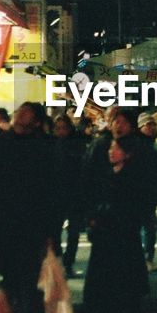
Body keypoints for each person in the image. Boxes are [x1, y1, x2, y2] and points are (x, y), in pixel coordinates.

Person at [0, 103, 55, 313]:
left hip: (31, 222)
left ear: (37, 121)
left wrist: (50, 226)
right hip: (2, 220)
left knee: (27, 275)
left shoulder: (45, 148)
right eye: (20, 111)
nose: (21, 115)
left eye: (27, 113)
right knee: (7, 274)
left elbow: (53, 190)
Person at [84, 134, 153, 313]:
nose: (111, 152)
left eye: (116, 149)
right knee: (106, 281)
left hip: (124, 236)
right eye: (110, 148)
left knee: (124, 281)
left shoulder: (133, 177)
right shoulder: (107, 174)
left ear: (128, 154)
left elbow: (134, 206)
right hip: (105, 236)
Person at [51, 114, 89, 275]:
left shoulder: (77, 143)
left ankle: (68, 262)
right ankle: (61, 259)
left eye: (63, 127)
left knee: (73, 232)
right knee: (55, 231)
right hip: (56, 193)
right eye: (58, 128)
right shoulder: (51, 145)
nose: (61, 131)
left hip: (74, 193)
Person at [136, 111, 157, 267]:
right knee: (143, 226)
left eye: (152, 125)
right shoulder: (138, 145)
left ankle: (147, 257)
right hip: (138, 192)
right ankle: (144, 257)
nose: (151, 127)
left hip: (149, 193)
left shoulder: (153, 144)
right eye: (148, 125)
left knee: (148, 226)